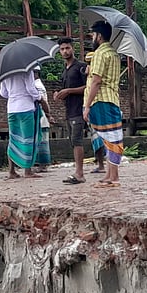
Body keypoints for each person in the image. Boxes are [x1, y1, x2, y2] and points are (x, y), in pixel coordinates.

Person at [83, 20, 125, 188]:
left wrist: (87, 105)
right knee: (111, 137)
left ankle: (114, 176)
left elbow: (96, 81)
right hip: (112, 98)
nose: (92, 38)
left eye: (93, 35)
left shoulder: (100, 53)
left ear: (99, 36)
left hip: (101, 99)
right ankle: (110, 174)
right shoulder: (114, 53)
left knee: (111, 138)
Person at [0, 68, 51, 179]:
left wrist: (14, 94)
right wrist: (39, 97)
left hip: (12, 109)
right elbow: (31, 89)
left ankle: (11, 171)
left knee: (13, 139)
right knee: (28, 139)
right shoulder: (27, 71)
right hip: (25, 108)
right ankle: (27, 171)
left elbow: (3, 93)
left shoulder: (5, 72)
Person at [54, 38, 90, 184]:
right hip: (68, 110)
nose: (65, 51)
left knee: (77, 140)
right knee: (73, 142)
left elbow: (88, 87)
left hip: (79, 109)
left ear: (72, 48)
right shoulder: (65, 70)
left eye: (67, 48)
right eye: (62, 49)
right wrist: (59, 94)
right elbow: (64, 90)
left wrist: (69, 91)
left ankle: (79, 173)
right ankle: (78, 171)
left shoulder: (81, 67)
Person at [32, 67, 53, 172]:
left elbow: (42, 101)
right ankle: (40, 164)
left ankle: (43, 165)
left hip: (41, 116)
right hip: (41, 116)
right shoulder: (37, 85)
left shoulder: (37, 86)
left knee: (42, 142)